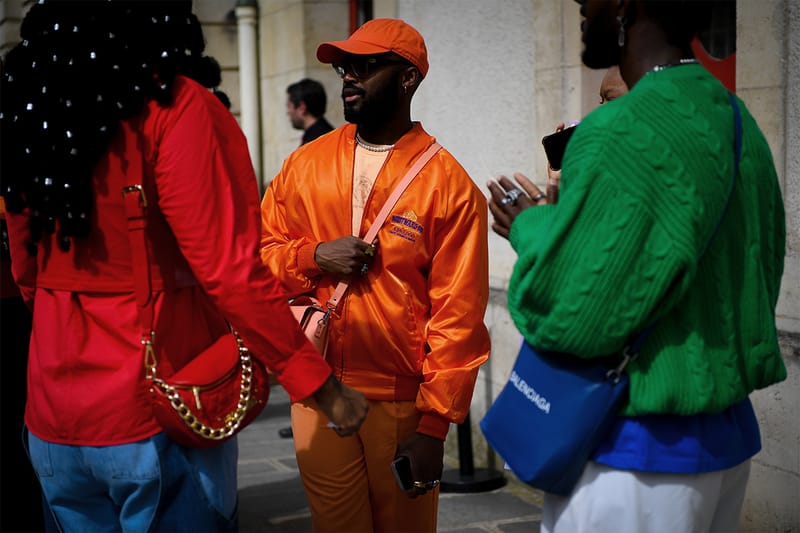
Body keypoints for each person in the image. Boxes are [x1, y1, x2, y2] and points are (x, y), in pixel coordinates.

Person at [0, 2, 368, 531]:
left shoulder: (32, 107)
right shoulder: (174, 105)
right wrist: (320, 387)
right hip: (156, 403)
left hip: (52, 410)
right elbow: (229, 269)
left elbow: (25, 264)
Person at [487, 0, 786, 532]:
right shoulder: (737, 120)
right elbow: (746, 277)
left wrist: (530, 227)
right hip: (725, 442)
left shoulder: (619, 130)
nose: (580, 5)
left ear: (626, 7)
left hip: (634, 454)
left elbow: (573, 317)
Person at [260, 18, 491, 532]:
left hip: (399, 403)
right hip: (316, 390)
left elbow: (460, 316)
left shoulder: (449, 186)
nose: (349, 77)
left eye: (366, 66)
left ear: (407, 77)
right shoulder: (303, 165)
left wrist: (433, 428)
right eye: (346, 67)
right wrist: (313, 257)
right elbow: (258, 259)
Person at [279, 77, 337, 440]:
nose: (287, 112)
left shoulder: (321, 141)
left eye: (288, 105)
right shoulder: (319, 137)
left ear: (301, 106)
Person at [287, 78, 336, 146]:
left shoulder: (316, 142)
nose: (288, 112)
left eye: (289, 106)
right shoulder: (329, 135)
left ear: (302, 108)